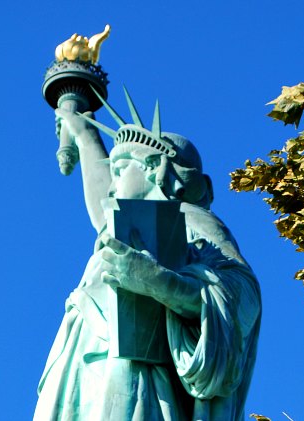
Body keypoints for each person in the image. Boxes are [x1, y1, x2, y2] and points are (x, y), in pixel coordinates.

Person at [34, 93, 261, 421]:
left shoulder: (189, 218)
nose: (111, 186)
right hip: (82, 373)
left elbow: (242, 291)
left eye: (120, 170)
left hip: (134, 377)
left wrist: (157, 281)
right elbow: (103, 209)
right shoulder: (125, 228)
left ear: (156, 168)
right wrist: (83, 132)